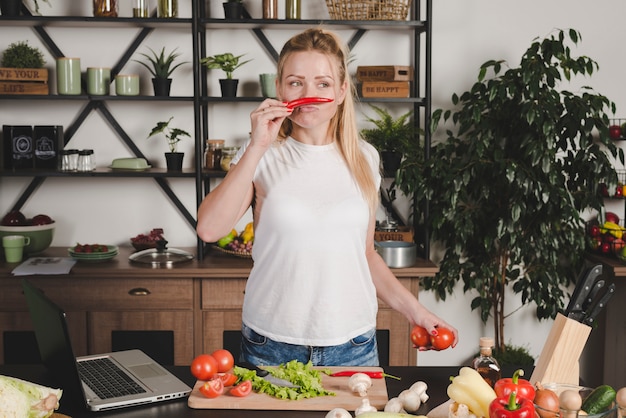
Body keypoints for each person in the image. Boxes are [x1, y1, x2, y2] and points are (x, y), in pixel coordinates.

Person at [196, 28, 458, 367]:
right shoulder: (262, 154)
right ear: (279, 88)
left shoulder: (364, 158)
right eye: (295, 83)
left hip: (354, 343)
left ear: (341, 91)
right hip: (271, 343)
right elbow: (209, 229)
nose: (309, 94)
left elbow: (365, 255)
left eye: (322, 84)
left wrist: (416, 312)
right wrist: (258, 145)